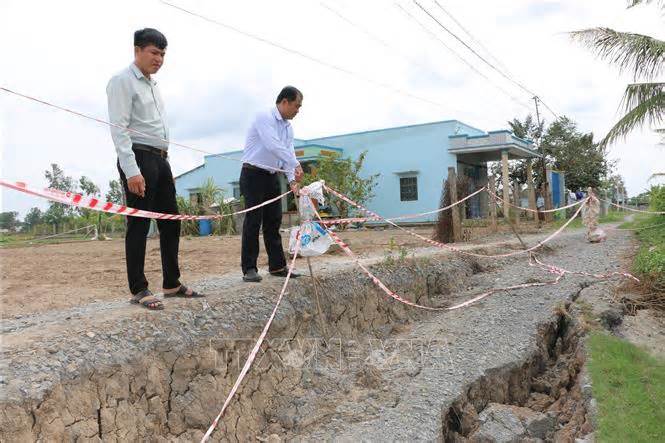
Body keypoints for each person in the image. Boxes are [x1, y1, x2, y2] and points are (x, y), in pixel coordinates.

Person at [107, 28, 203, 310]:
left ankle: (171, 282)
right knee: (138, 223)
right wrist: (131, 170)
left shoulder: (153, 85)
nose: (159, 59)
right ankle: (138, 288)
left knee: (171, 220)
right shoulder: (122, 81)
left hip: (160, 159)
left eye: (163, 54)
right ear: (137, 50)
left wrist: (165, 163)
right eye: (154, 52)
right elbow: (119, 129)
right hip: (138, 158)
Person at [240, 86, 304, 282]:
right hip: (253, 174)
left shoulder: (288, 127)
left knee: (273, 221)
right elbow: (273, 145)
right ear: (284, 102)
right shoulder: (264, 117)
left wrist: (292, 179)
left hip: (271, 176)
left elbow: (287, 153)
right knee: (253, 221)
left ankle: (277, 266)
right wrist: (296, 164)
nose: (298, 110)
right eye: (296, 105)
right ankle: (249, 268)